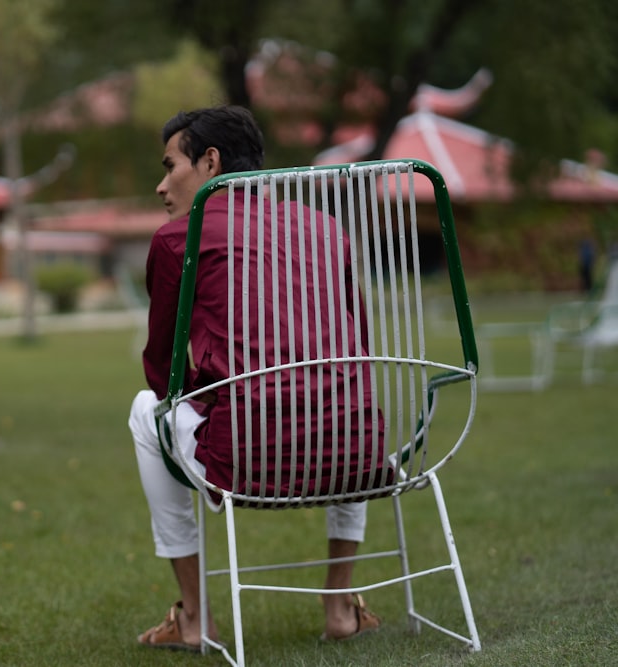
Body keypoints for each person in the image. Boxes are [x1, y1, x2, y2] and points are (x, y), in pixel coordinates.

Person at [129, 105, 384, 652]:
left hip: (247, 456)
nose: (160, 185)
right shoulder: (324, 227)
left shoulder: (179, 239)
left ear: (211, 162)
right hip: (359, 457)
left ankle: (195, 617)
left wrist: (221, 387)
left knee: (142, 410)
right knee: (347, 394)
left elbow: (163, 371)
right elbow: (356, 345)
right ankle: (341, 604)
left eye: (171, 166)